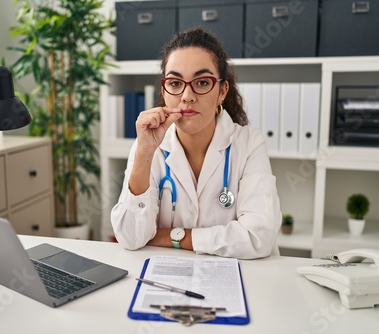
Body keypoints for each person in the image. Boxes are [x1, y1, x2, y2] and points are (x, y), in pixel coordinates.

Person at [111, 28, 281, 259]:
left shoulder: (249, 143)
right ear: (164, 90)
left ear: (222, 91)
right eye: (175, 83)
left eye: (202, 82)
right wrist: (144, 153)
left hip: (235, 278)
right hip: (167, 278)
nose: (187, 96)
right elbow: (131, 237)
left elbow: (257, 238)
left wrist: (170, 237)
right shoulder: (148, 147)